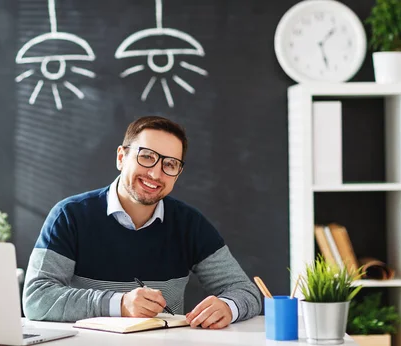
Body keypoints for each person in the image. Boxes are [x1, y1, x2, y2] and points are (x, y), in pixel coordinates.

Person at [23, 116, 261, 329]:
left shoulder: (190, 224)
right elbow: (36, 299)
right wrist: (120, 304)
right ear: (121, 157)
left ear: (177, 174)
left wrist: (228, 307)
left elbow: (246, 291)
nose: (156, 174)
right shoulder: (69, 215)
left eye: (169, 165)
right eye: (147, 157)